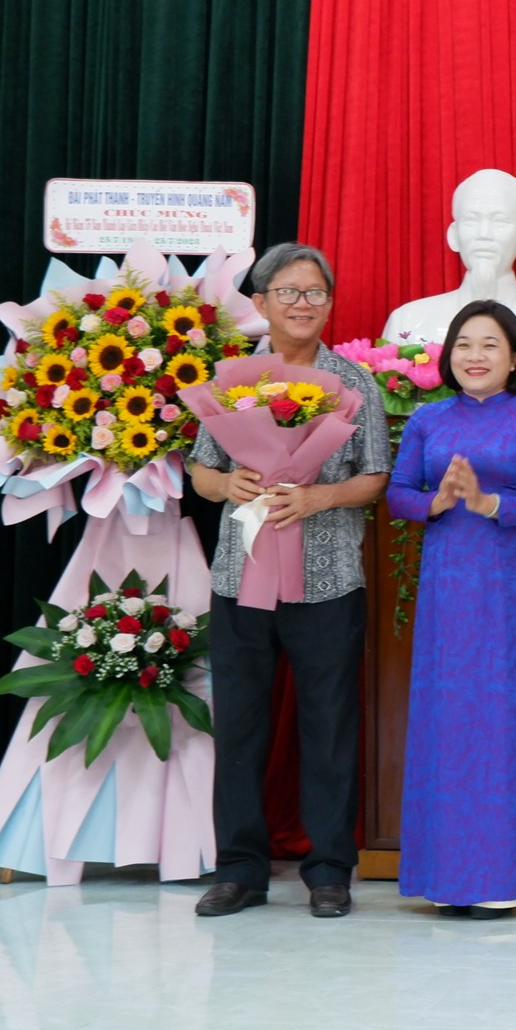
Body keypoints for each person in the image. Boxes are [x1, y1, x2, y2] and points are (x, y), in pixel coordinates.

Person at [188, 242, 391, 919]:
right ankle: (239, 870)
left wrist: (320, 498)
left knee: (330, 725)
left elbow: (375, 477)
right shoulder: (231, 379)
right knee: (240, 724)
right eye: (290, 292)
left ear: (330, 304)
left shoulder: (356, 383)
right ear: (261, 302)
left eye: (316, 293)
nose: (303, 304)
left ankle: (330, 870)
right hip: (240, 575)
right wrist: (229, 482)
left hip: (328, 579)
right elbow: (200, 470)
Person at [386, 301, 516, 917]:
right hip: (447, 580)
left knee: (505, 715)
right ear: (448, 355)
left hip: (510, 577)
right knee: (447, 717)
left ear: (515, 357)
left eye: (490, 344)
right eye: (464, 343)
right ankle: (447, 878)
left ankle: (508, 877)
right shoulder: (428, 420)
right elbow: (397, 495)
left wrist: (492, 504)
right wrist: (436, 502)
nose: (475, 355)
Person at [381, 168, 516, 350]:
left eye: (500, 221)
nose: (484, 234)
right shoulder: (407, 323)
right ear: (454, 235)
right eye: (471, 220)